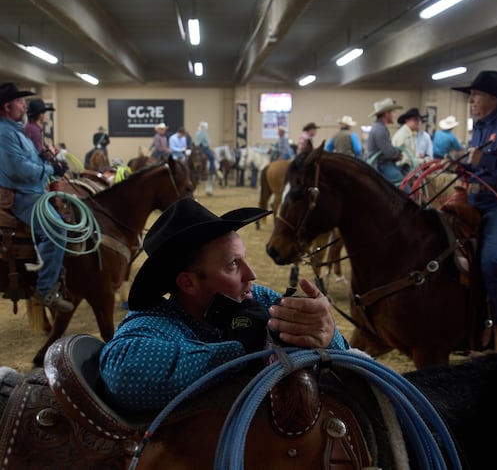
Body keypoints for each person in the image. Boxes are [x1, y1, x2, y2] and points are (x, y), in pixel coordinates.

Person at [99, 197, 349, 411]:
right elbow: (123, 374)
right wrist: (239, 350)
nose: (251, 274)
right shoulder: (155, 323)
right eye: (232, 265)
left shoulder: (258, 298)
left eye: (245, 260)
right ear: (188, 283)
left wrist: (328, 335)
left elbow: (345, 361)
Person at [0, 83, 72, 312]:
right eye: (20, 102)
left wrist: (46, 160)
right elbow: (19, 170)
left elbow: (29, 162)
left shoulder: (14, 130)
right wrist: (52, 170)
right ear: (7, 106)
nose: (24, 106)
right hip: (22, 195)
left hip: (33, 190)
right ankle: (45, 289)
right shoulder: (4, 133)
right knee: (57, 229)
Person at [452, 70, 497, 351]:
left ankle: (496, 325)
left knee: (492, 262)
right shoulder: (479, 126)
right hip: (474, 201)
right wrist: (465, 166)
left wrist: (486, 161)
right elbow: (476, 164)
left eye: (475, 95)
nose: (471, 101)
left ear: (493, 98)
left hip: (496, 205)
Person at [366, 98, 405, 185]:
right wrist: (398, 154)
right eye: (393, 112)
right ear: (386, 113)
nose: (395, 115)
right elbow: (389, 153)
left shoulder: (378, 127)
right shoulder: (380, 129)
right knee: (404, 186)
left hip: (379, 163)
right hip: (380, 165)